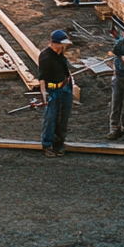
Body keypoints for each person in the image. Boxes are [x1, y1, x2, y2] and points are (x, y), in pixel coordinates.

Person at [38, 29, 73, 157]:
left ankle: (59, 143)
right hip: (53, 90)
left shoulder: (60, 53)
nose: (63, 46)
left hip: (65, 88)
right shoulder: (46, 57)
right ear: (54, 43)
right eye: (61, 44)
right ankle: (47, 144)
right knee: (51, 118)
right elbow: (42, 78)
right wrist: (44, 96)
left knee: (63, 118)